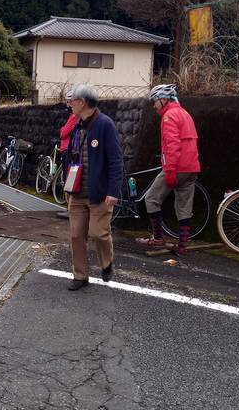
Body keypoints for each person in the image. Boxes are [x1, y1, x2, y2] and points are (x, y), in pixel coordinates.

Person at [64, 84, 122, 290]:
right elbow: (69, 157)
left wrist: (113, 191)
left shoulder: (105, 124)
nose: (69, 104)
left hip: (99, 193)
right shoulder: (76, 125)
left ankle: (107, 263)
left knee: (99, 233)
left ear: (83, 102)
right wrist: (66, 185)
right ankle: (80, 275)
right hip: (77, 192)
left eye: (72, 101)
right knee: (76, 235)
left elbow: (116, 161)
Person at [137, 84, 201, 255]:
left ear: (164, 99)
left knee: (151, 199)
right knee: (184, 206)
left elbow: (173, 146)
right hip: (192, 167)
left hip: (177, 167)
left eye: (155, 101)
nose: (154, 105)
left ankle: (158, 237)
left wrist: (171, 171)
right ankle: (182, 245)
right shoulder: (185, 113)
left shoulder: (169, 116)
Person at [56, 89, 78, 220]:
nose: (67, 105)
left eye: (69, 102)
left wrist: (62, 129)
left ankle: (70, 210)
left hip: (68, 151)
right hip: (67, 150)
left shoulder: (74, 117)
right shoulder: (74, 116)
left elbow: (63, 133)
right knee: (68, 179)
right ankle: (70, 208)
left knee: (68, 180)